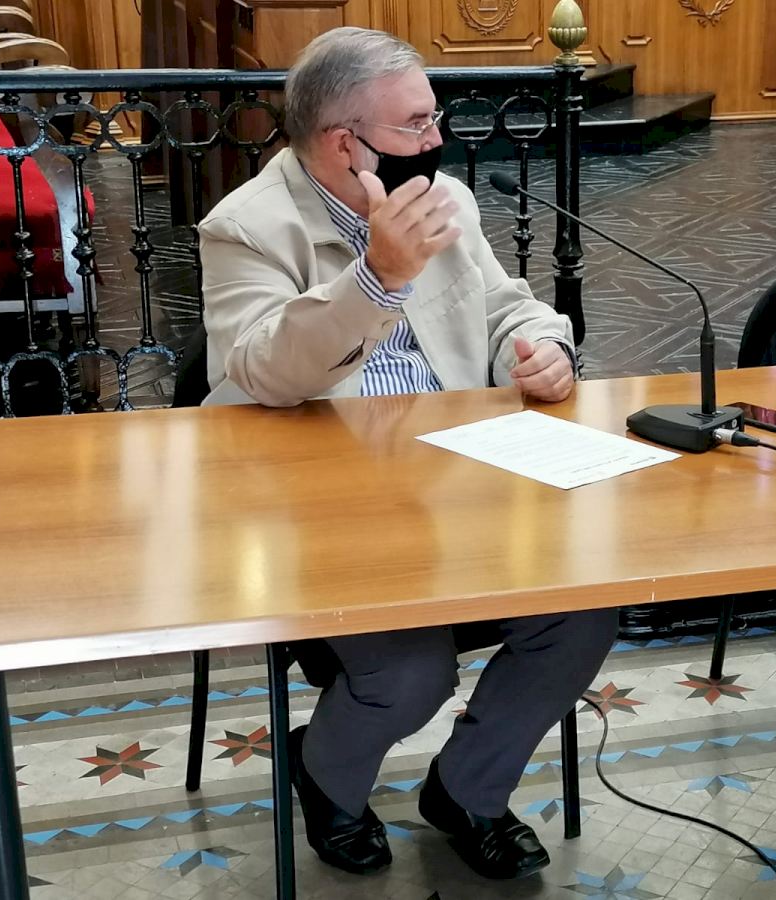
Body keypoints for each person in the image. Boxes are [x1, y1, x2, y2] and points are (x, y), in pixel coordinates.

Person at [198, 27, 616, 880]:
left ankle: (466, 791)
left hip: (463, 485)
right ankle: (324, 772)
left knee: (583, 614)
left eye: (433, 118)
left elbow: (505, 306)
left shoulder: (441, 198)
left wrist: (542, 347)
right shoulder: (245, 228)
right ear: (342, 143)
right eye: (417, 124)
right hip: (325, 512)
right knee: (412, 672)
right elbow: (262, 370)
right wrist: (375, 279)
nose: (436, 138)